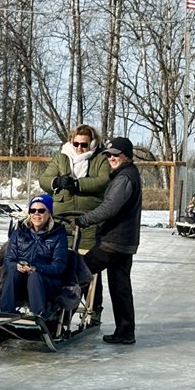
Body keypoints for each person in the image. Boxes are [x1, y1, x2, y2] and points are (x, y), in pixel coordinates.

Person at [75, 137, 143, 346]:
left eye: (116, 155)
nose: (112, 158)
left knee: (78, 271)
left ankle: (57, 318)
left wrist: (84, 219)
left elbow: (109, 208)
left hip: (114, 241)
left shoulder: (124, 178)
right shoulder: (127, 174)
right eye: (109, 155)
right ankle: (125, 331)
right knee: (120, 286)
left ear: (127, 157)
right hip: (124, 242)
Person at [0, 194, 69, 316]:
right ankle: (4, 312)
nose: (36, 214)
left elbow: (58, 266)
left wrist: (37, 268)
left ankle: (38, 314)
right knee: (13, 271)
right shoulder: (20, 231)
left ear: (49, 213)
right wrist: (16, 265)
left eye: (41, 210)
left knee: (35, 276)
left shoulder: (58, 235)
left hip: (45, 283)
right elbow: (9, 259)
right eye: (33, 210)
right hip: (19, 281)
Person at [40, 123, 110, 250]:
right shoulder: (61, 157)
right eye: (76, 144)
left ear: (93, 144)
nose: (79, 148)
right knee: (59, 257)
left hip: (88, 218)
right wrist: (57, 181)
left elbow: (103, 181)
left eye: (84, 145)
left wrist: (78, 184)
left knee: (84, 260)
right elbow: (44, 180)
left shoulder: (101, 158)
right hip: (61, 217)